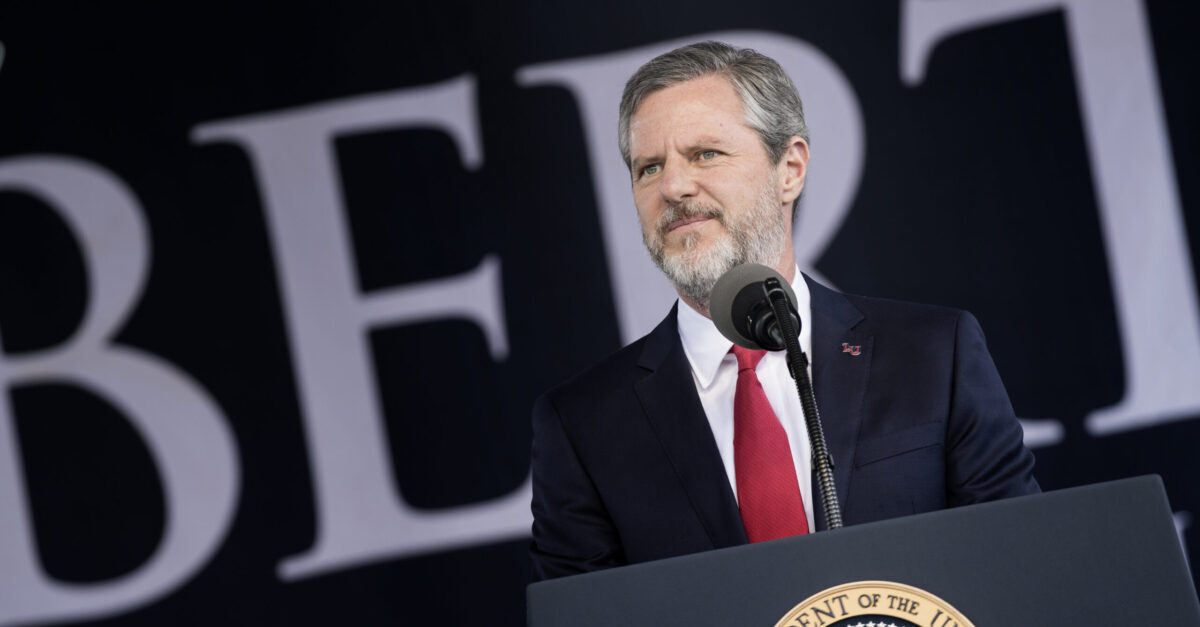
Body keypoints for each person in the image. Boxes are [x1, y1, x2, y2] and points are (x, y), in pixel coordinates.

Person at [529, 41, 1038, 581]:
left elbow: (1023, 569)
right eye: (648, 168)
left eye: (705, 154)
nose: (673, 187)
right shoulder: (582, 426)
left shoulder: (935, 355)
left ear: (789, 169)